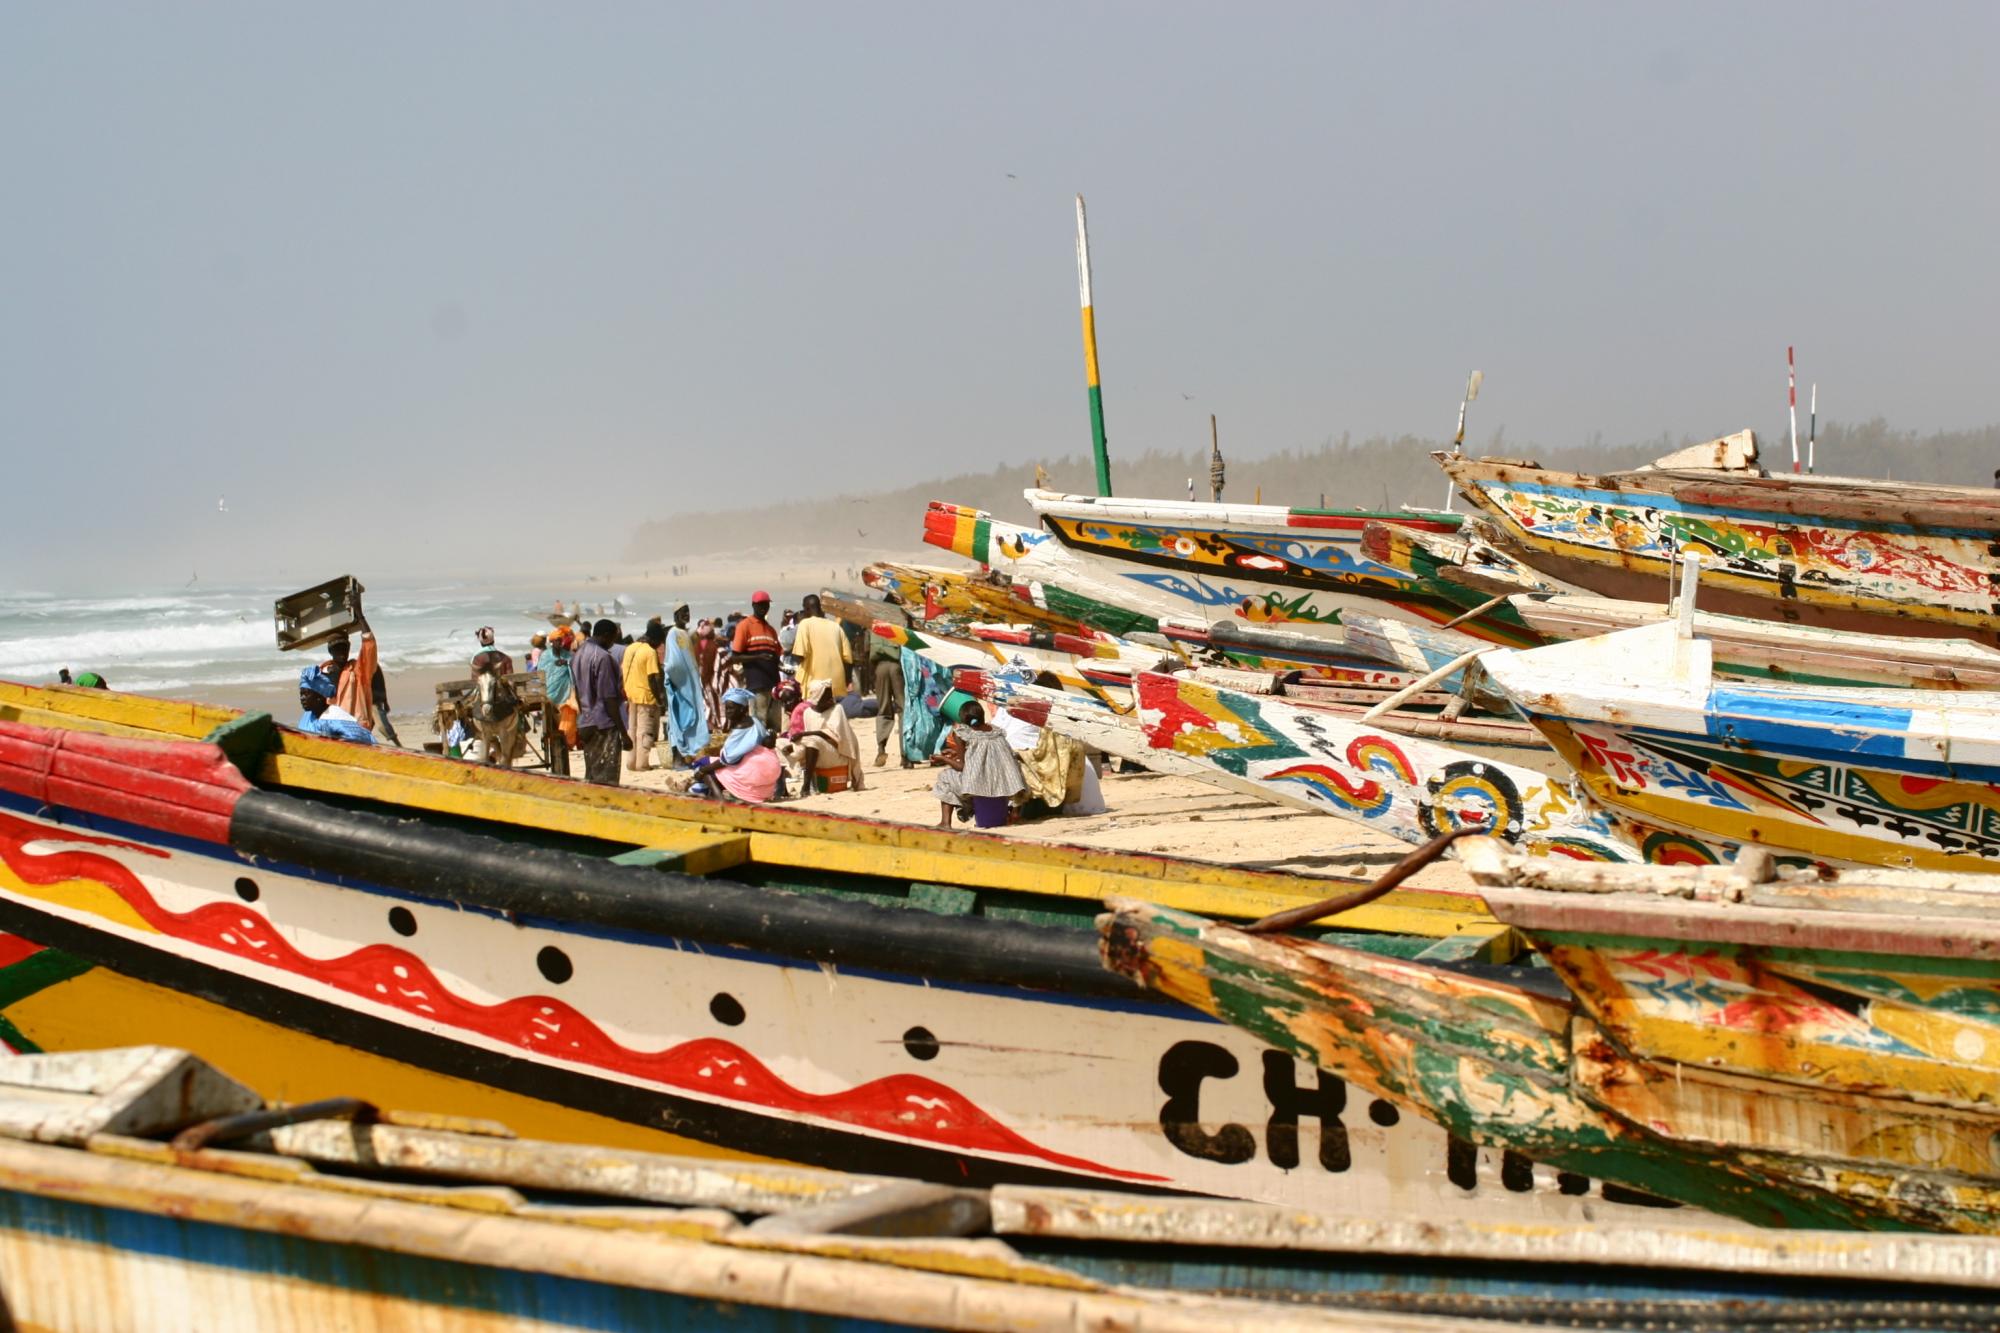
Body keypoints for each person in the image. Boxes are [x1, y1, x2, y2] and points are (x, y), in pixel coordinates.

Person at [670, 688, 781, 803]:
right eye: (726, 708)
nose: (728, 712)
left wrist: (702, 770)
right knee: (700, 784)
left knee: (702, 766)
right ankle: (692, 784)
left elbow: (728, 760)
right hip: (765, 773)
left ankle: (719, 799)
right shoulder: (755, 721)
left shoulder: (740, 730)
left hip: (752, 773)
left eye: (731, 708)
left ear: (743, 709)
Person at [931, 699, 1022, 829]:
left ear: (963, 719)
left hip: (978, 787)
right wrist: (956, 752)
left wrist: (943, 759)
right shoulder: (996, 732)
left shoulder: (963, 734)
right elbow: (985, 754)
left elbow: (962, 767)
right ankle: (1012, 813)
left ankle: (945, 822)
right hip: (1004, 785)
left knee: (945, 776)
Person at [570, 618, 629, 785]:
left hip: (585, 722)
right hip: (603, 725)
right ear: (605, 635)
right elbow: (609, 698)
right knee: (607, 779)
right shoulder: (603, 657)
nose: (613, 643)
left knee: (592, 775)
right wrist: (623, 733)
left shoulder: (578, 654)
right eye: (613, 638)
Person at [788, 678, 865, 796]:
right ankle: (781, 788)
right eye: (826, 695)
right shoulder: (808, 712)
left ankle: (806, 785)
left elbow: (832, 735)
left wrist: (803, 734)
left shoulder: (837, 709)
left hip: (837, 753)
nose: (830, 698)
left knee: (813, 740)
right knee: (781, 744)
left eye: (830, 695)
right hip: (815, 752)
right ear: (817, 697)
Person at [325, 628, 399, 747]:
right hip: (358, 710)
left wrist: (384, 700)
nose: (342, 652)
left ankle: (397, 744)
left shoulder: (361, 668)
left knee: (382, 726)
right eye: (338, 649)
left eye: (344, 648)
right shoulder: (329, 672)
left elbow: (379, 681)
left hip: (372, 701)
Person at [729, 593, 784, 735]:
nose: (763, 607)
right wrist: (758, 657)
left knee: (775, 726)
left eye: (766, 604)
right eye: (760, 604)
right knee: (759, 725)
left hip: (773, 685)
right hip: (756, 684)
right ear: (753, 605)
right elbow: (735, 657)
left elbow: (776, 656)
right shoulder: (744, 626)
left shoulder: (771, 630)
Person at [661, 605, 708, 765]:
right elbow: (673, 664)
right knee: (678, 720)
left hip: (691, 684)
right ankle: (678, 758)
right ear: (675, 615)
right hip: (680, 685)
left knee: (692, 718)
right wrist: (681, 679)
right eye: (683, 613)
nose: (686, 615)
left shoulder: (685, 633)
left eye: (688, 612)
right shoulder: (672, 634)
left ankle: (689, 754)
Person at [620, 621, 665, 772]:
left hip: (631, 694)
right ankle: (642, 764)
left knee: (632, 730)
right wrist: (659, 699)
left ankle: (631, 762)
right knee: (645, 731)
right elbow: (653, 678)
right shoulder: (650, 652)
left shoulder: (630, 648)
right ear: (655, 639)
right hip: (646, 696)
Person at [296, 666, 376, 744]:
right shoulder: (308, 716)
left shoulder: (334, 717)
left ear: (319, 697)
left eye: (306, 694)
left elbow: (359, 736)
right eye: (301, 694)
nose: (302, 698)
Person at [792, 594, 852, 697]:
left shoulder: (805, 624)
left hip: (816, 688)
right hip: (837, 686)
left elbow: (799, 656)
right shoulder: (836, 627)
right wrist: (846, 681)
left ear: (806, 609)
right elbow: (848, 660)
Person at [869, 634, 907, 768]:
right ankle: (905, 755)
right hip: (897, 667)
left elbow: (867, 650)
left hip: (880, 667)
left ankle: (881, 749)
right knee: (903, 710)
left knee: (883, 709)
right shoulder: (900, 621)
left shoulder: (873, 625)